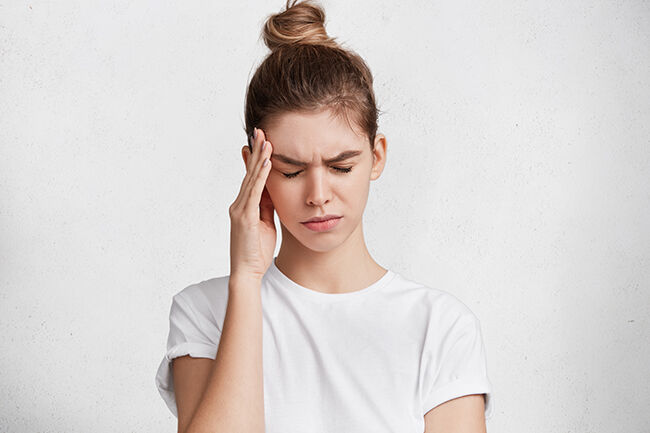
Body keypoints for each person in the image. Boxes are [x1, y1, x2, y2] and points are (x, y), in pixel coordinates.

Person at [155, 1, 494, 432]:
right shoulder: (204, 312)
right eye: (291, 171)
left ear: (376, 157)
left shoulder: (441, 327)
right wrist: (246, 281)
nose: (318, 196)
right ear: (254, 168)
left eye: (341, 167)